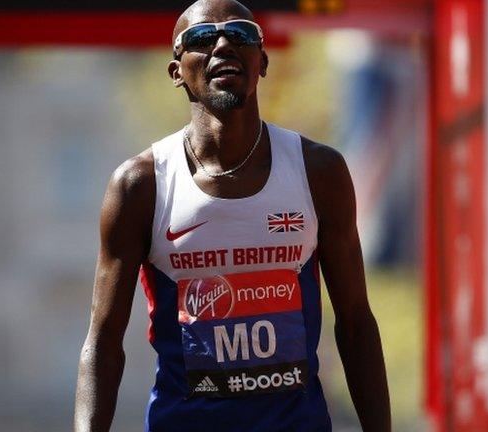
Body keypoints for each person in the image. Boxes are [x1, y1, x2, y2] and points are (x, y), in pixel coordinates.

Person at [74, 0, 391, 430]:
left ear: (262, 61)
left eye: (241, 34)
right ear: (177, 71)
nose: (224, 43)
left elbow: (355, 324)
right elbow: (104, 343)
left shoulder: (318, 171)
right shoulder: (140, 185)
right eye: (202, 39)